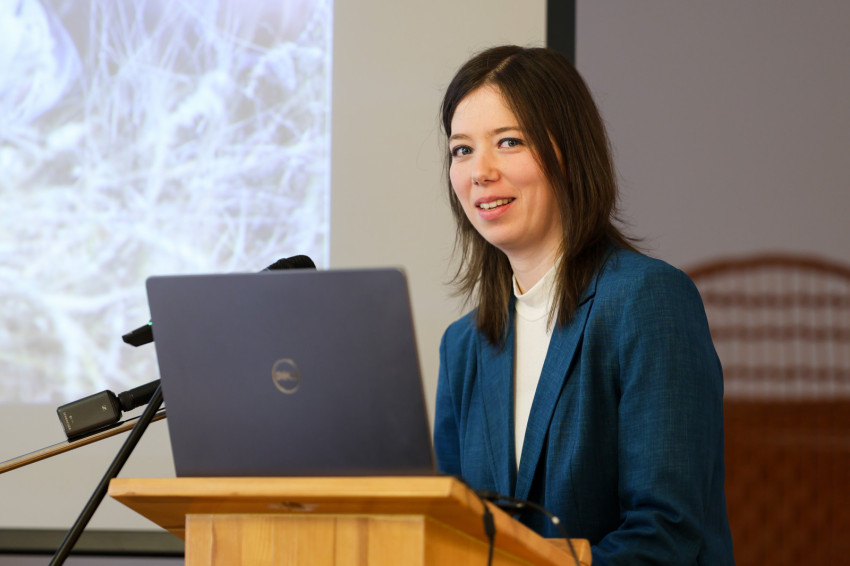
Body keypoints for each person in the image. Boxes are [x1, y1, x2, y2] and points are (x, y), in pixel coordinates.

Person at [433, 45, 735, 565]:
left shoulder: (649, 301)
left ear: (568, 153)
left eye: (509, 142)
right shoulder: (462, 345)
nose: (479, 171)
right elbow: (450, 535)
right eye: (462, 150)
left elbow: (667, 533)